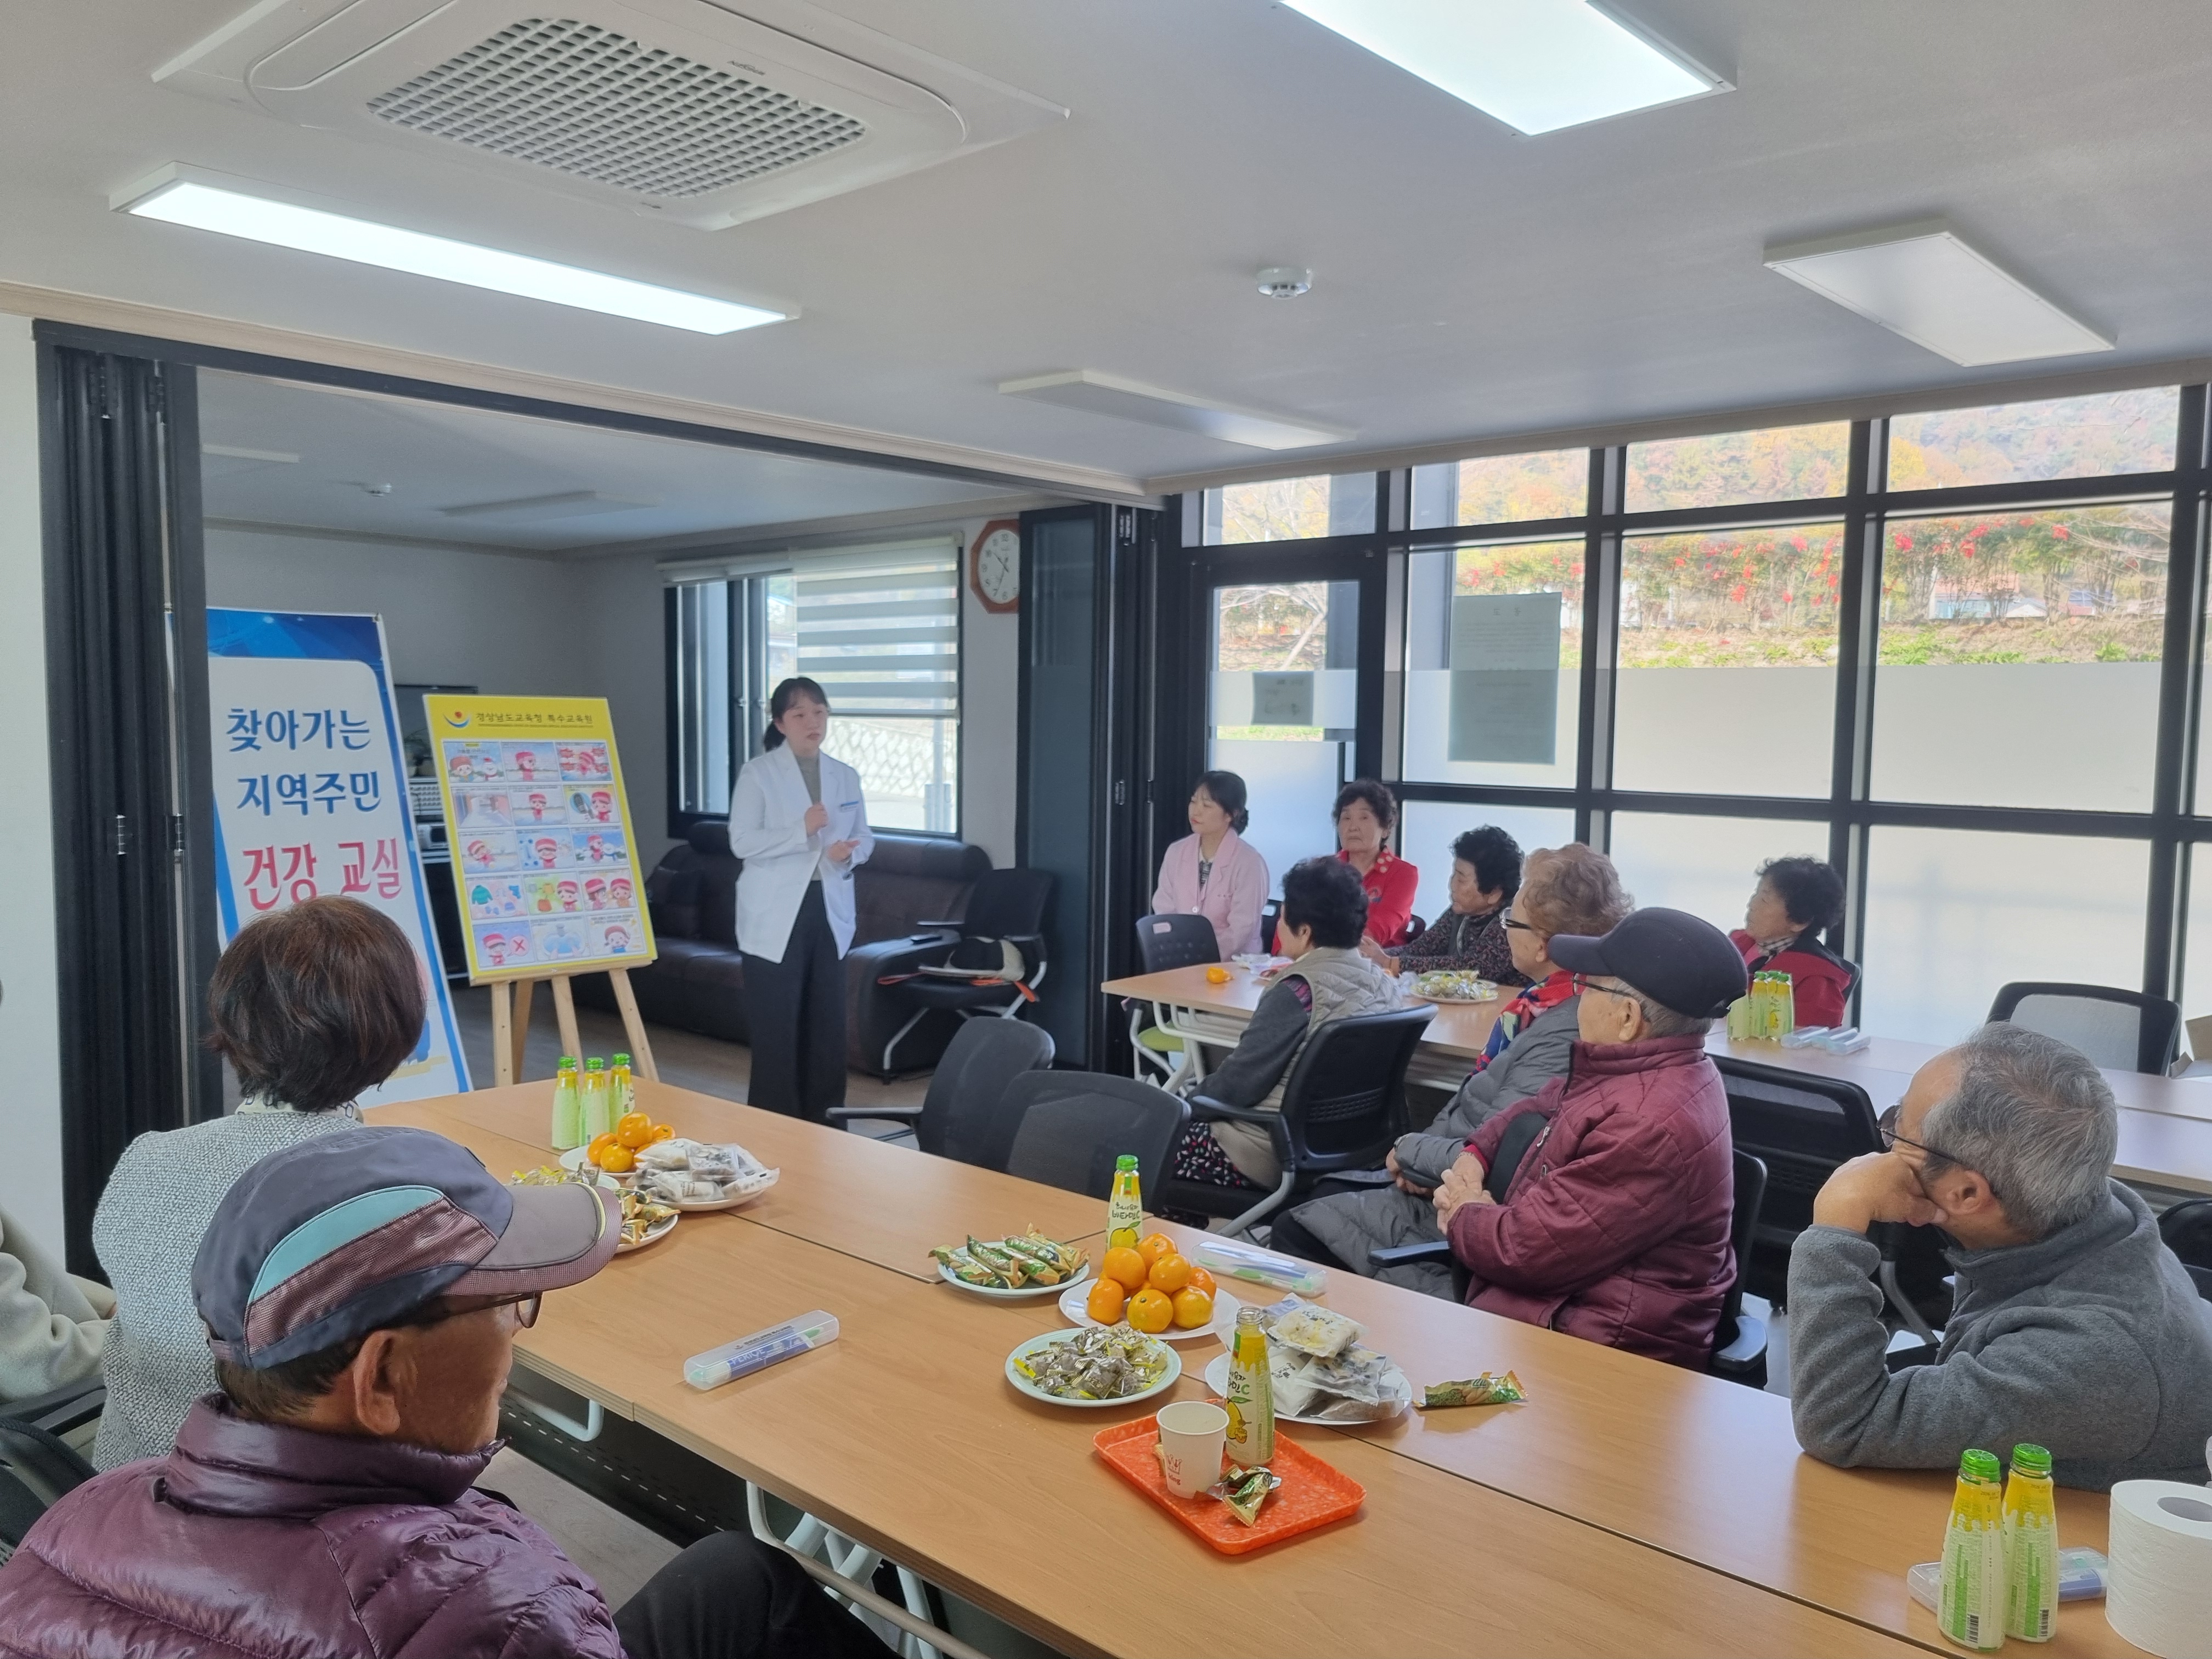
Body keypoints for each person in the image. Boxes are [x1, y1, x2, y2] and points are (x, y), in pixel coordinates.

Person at [0, 1127, 889, 1659]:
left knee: (737, 1576)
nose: (518, 1331)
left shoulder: (71, 1525)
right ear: (383, 1376)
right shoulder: (497, 1607)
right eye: (509, 1304)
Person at [1788, 1022, 2212, 1489]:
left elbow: (1843, 1426)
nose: (1882, 1150)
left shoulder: (2090, 1350)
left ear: (1967, 1192)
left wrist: (1836, 1222)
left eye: (1899, 1132)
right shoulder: (2079, 1212)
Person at [92, 895, 424, 1469]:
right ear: (391, 1030)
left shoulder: (145, 1160)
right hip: (280, 1516)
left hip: (124, 1493)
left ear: (231, 1020)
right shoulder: (391, 1197)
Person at [1270, 844, 1632, 1291]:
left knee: (1295, 1229)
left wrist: (1411, 1154)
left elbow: (1510, 1155)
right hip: (1453, 1176)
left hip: (1469, 1208)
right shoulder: (1547, 1007)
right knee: (1324, 1197)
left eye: (1509, 923)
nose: (1502, 932)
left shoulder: (1564, 1028)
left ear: (1542, 945)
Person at [1428, 909, 1746, 1363]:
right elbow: (1538, 1106)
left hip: (1595, 1349)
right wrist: (1473, 1157)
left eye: (1588, 986)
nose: (1577, 999)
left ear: (1628, 1017)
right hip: (1553, 1310)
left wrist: (1462, 1210)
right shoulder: (1651, 1068)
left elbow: (1523, 1251)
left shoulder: (1646, 1125)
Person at [1166, 857, 1401, 1203]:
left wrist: (1184, 1107)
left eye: (1283, 915)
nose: (1278, 925)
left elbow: (1239, 1083)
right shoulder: (1386, 987)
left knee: (1142, 1146)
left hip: (1271, 1154)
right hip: (1351, 1154)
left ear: (1304, 932)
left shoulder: (1297, 991)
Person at [730, 676, 875, 1123]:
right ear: (780, 723)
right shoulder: (759, 773)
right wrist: (802, 831)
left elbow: (865, 836)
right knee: (779, 1028)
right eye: (800, 714)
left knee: (827, 1028)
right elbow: (742, 842)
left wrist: (844, 854)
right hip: (776, 915)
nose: (812, 721)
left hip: (828, 910)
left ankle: (827, 1122)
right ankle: (774, 1126)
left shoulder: (844, 774)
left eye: (819, 711)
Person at [1361, 824, 1526, 986]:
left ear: (1494, 893)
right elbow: (1420, 949)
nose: (1452, 884)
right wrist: (1370, 955)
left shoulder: (1512, 921)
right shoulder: (1463, 911)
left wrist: (1391, 963)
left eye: (1461, 879)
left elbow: (1470, 969)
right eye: (1454, 873)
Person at [1152, 770, 1269, 959]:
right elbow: (1163, 910)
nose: (1195, 811)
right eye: (1193, 801)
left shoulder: (1250, 862)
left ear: (1231, 814)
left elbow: (1241, 928)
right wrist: (1178, 950)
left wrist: (1200, 955)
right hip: (1179, 961)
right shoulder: (1176, 852)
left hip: (1234, 967)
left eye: (1207, 805)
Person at [1731, 855, 1855, 1030]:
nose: (1751, 904)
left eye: (1765, 900)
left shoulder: (1817, 976)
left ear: (1799, 922)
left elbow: (1809, 1043)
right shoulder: (1737, 943)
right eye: (1756, 893)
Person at [1, 1202, 107, 1404]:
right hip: (58, 1418)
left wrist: (106, 1303)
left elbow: (19, 1264)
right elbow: (33, 1364)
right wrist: (147, 1331)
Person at [1329, 779, 1418, 947]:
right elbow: (1293, 924)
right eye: (1346, 817)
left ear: (1385, 829)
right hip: (1322, 960)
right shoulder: (1325, 870)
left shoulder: (1403, 874)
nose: (1353, 827)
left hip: (1378, 965)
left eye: (1364, 818)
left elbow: (1378, 931)